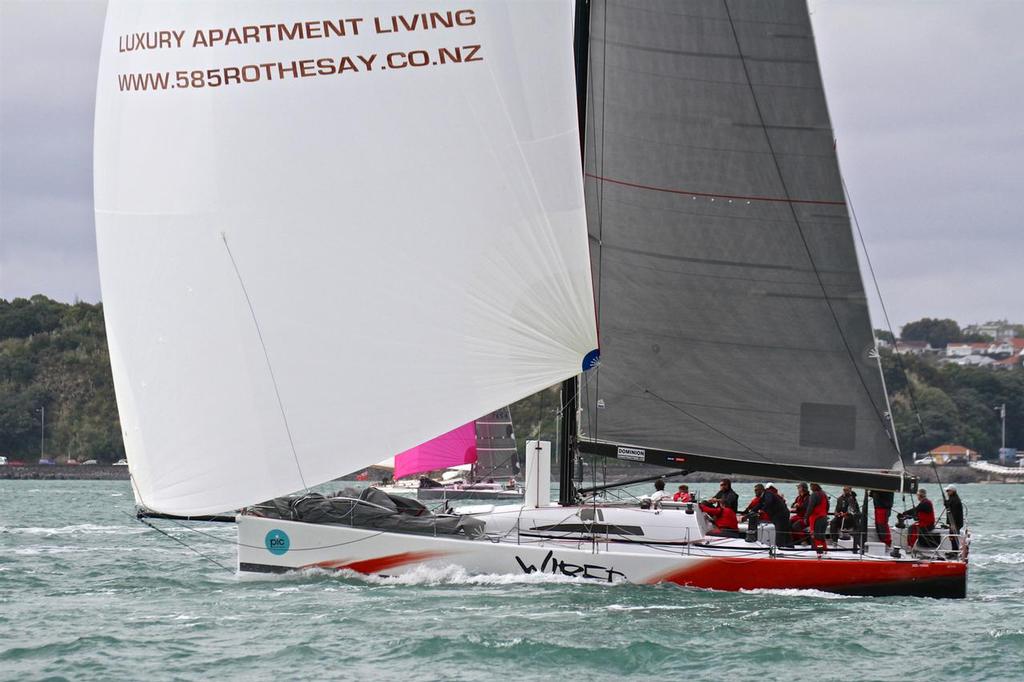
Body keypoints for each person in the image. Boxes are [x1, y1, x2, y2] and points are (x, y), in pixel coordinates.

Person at [751, 483, 792, 547]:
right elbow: (759, 505)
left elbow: (768, 502)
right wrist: (750, 512)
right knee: (785, 532)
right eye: (755, 490)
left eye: (756, 490)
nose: (755, 492)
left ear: (761, 490)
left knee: (780, 532)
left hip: (781, 515)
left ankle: (779, 548)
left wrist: (762, 510)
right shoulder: (763, 496)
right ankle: (790, 547)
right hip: (780, 515)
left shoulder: (768, 494)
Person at [805, 483, 829, 555]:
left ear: (815, 486)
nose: (810, 488)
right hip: (824, 517)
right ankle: (825, 550)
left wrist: (806, 517)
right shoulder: (824, 494)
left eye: (811, 486)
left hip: (817, 518)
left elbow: (810, 507)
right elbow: (827, 506)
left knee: (817, 536)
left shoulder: (814, 495)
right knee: (821, 535)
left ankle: (819, 551)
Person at [944, 484, 964, 552]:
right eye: (946, 491)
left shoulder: (955, 500)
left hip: (955, 523)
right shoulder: (953, 499)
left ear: (953, 491)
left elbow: (954, 513)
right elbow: (949, 506)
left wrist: (953, 524)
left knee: (953, 537)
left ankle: (955, 551)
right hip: (953, 522)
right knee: (952, 537)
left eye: (948, 491)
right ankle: (954, 550)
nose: (947, 492)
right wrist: (946, 503)